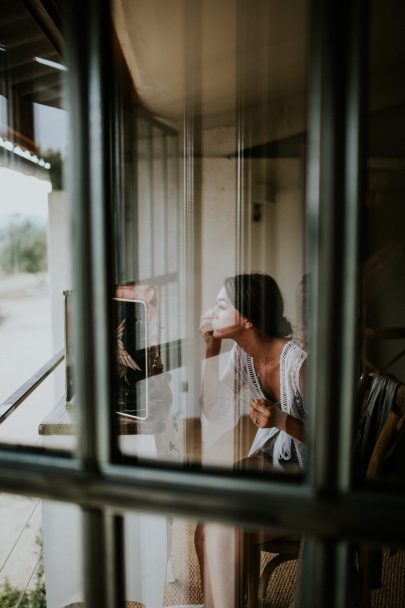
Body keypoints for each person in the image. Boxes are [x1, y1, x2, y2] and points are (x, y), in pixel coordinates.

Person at [195, 273, 307, 608]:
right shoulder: (244, 356)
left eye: (220, 305)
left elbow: (335, 445)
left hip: (311, 474)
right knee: (208, 523)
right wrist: (211, 348)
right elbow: (213, 411)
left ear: (245, 318)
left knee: (226, 529)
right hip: (275, 458)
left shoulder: (299, 365)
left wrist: (281, 420)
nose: (210, 313)